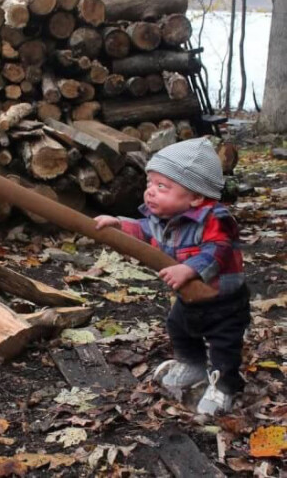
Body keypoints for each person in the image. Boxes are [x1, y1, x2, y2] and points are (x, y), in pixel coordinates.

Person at [94, 137, 249, 415]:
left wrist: (189, 268)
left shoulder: (215, 218)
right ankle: (192, 364)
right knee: (179, 327)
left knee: (224, 344)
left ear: (196, 196)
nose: (150, 192)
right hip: (189, 298)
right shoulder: (163, 219)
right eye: (149, 184)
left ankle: (225, 385)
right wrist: (118, 224)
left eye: (162, 186)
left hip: (224, 301)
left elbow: (219, 249)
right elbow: (143, 230)